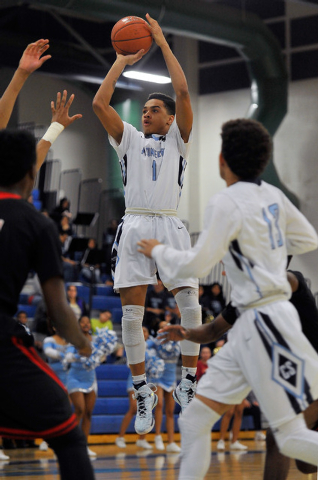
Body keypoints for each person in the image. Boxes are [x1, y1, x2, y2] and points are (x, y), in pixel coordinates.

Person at [138, 118, 318, 479]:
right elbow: (308, 239)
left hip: (265, 322)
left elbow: (197, 263)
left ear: (222, 160)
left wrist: (158, 250)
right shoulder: (274, 196)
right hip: (250, 327)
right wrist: (267, 250)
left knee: (291, 438)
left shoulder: (225, 201)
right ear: (262, 162)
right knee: (193, 419)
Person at [92, 13, 201, 435]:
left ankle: (187, 384)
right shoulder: (129, 139)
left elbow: (183, 90)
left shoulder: (179, 139)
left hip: (171, 226)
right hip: (135, 226)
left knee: (190, 305)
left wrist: (162, 43)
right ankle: (143, 392)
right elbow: (101, 103)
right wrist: (122, 59)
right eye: (144, 110)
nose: (146, 114)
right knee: (130, 318)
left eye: (154, 110)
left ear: (170, 119)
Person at [0, 129, 94, 479]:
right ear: (31, 173)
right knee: (69, 434)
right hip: (2, 340)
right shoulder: (37, 223)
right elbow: (57, 309)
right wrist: (83, 344)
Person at [66, 316, 98, 458]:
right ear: (78, 325)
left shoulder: (96, 340)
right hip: (75, 378)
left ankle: (83, 446)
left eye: (87, 321)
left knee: (88, 413)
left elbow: (100, 357)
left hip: (91, 378)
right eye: (82, 322)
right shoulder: (73, 338)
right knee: (79, 409)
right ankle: (68, 443)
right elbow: (67, 357)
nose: (86, 324)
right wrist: (78, 354)